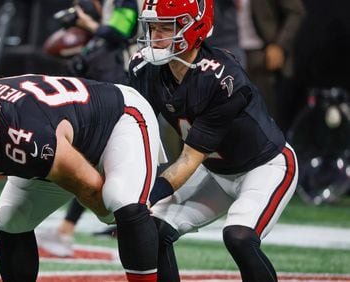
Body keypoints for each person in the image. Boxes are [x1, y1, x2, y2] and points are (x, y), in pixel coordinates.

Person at [0, 73, 165, 281]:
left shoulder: (27, 136)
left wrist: (124, 222)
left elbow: (88, 186)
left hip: (119, 120)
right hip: (60, 144)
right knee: (10, 222)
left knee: (123, 203)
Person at [128, 0, 299, 281]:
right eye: (152, 27)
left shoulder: (223, 77)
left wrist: (145, 196)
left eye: (166, 28)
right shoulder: (146, 68)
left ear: (194, 27)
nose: (155, 37)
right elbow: (137, 131)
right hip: (214, 168)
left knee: (239, 237)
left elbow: (188, 158)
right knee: (151, 231)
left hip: (264, 166)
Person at [36, 0, 142, 256]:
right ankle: (71, 228)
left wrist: (87, 24)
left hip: (125, 83)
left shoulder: (124, 1)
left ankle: (68, 229)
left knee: (103, 160)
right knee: (104, 162)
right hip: (120, 82)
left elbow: (118, 33)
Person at [237, 0, 305, 128]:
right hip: (224, 50)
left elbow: (296, 11)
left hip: (260, 53)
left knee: (265, 122)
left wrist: (279, 45)